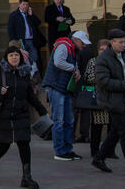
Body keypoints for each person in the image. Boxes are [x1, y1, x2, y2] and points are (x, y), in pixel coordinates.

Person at [0, 45, 47, 189]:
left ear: (20, 57)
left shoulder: (24, 73)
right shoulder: (0, 70)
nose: (14, 58)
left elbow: (30, 95)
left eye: (16, 55)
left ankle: (27, 177)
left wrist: (42, 110)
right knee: (4, 144)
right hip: (4, 114)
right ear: (6, 57)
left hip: (21, 114)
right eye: (11, 55)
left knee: (24, 143)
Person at [92, 29, 125, 177]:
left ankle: (99, 158)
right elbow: (103, 81)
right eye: (120, 42)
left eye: (124, 41)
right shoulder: (103, 59)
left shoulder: (124, 55)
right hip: (113, 102)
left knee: (116, 131)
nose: (124, 44)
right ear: (112, 42)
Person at [43, 29, 90, 161]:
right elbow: (58, 62)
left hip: (65, 88)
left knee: (69, 120)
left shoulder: (72, 49)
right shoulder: (64, 45)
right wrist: (73, 69)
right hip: (56, 87)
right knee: (59, 120)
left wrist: (76, 71)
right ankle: (60, 151)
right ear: (76, 40)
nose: (84, 46)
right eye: (83, 42)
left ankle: (68, 149)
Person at [84, 38, 118, 163]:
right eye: (101, 49)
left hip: (112, 99)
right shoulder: (94, 61)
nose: (103, 52)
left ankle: (109, 150)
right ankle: (95, 150)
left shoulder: (113, 61)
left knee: (112, 126)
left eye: (105, 49)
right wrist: (102, 78)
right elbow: (88, 77)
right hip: (99, 98)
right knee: (97, 126)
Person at [6, 0, 44, 75]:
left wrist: (32, 15)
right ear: (19, 5)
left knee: (34, 58)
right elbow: (10, 29)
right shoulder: (14, 15)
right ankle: (24, 75)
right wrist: (14, 42)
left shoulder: (29, 14)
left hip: (31, 40)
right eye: (23, 4)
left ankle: (33, 75)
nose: (25, 6)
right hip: (20, 41)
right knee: (22, 59)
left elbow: (38, 23)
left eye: (27, 5)